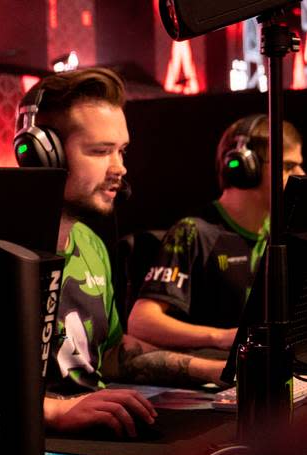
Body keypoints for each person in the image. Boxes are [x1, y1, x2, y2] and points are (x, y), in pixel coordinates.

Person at [14, 68, 227, 437]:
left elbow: (111, 356)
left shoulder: (91, 244)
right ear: (41, 153)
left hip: (96, 426)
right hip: (31, 443)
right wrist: (53, 412)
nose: (120, 168)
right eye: (100, 152)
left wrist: (212, 369)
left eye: (121, 150)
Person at [127, 115, 304, 351]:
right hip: (211, 379)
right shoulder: (193, 232)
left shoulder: (282, 235)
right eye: (288, 166)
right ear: (245, 168)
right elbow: (141, 322)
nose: (301, 174)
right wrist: (220, 338)